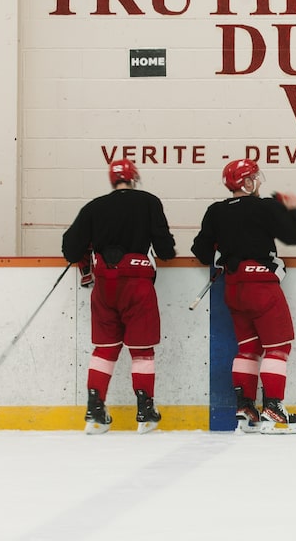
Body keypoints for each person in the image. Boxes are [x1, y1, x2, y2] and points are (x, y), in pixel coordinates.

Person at [191, 159, 296, 434]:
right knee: (278, 347)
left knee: (248, 348)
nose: (258, 182)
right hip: (262, 285)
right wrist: (293, 210)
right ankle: (274, 410)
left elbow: (201, 251)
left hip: (234, 288)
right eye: (254, 177)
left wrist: (222, 247)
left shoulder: (215, 211)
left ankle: (245, 408)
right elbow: (295, 235)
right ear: (246, 182)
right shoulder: (266, 206)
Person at [62, 159, 176, 435]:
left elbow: (70, 247)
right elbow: (165, 249)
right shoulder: (149, 202)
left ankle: (95, 412)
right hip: (137, 283)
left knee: (105, 348)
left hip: (105, 285)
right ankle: (146, 413)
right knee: (142, 349)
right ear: (134, 178)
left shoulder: (94, 207)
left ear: (112, 180)